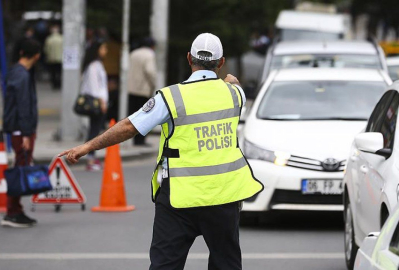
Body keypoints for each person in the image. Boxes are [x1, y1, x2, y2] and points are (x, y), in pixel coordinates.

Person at [60, 33, 264, 270]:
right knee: (226, 264)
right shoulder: (235, 94)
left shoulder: (171, 97)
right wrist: (232, 81)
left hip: (179, 197)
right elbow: (236, 86)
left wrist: (87, 146)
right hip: (224, 196)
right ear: (221, 62)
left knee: (165, 265)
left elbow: (129, 127)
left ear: (189, 58)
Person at [2, 39, 41, 228]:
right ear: (36, 55)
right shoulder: (23, 75)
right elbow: (23, 106)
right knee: (20, 169)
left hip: (18, 128)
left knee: (20, 166)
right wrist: (27, 133)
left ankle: (15, 209)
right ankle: (12, 212)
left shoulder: (15, 72)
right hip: (21, 130)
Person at [80, 41, 108, 171]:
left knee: (95, 129)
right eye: (103, 48)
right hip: (96, 103)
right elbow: (94, 87)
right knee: (94, 131)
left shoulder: (96, 64)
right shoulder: (93, 66)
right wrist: (102, 102)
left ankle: (91, 156)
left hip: (99, 102)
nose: (105, 50)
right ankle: (90, 158)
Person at [127, 37, 156, 146]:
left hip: (131, 88)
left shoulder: (133, 53)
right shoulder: (149, 54)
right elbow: (150, 71)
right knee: (145, 116)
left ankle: (134, 139)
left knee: (134, 116)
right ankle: (140, 140)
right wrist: (153, 84)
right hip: (143, 90)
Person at [44, 25, 63, 89]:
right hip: (60, 58)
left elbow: (46, 49)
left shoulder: (49, 39)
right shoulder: (61, 38)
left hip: (52, 58)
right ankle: (59, 83)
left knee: (53, 72)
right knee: (59, 72)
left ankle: (54, 84)